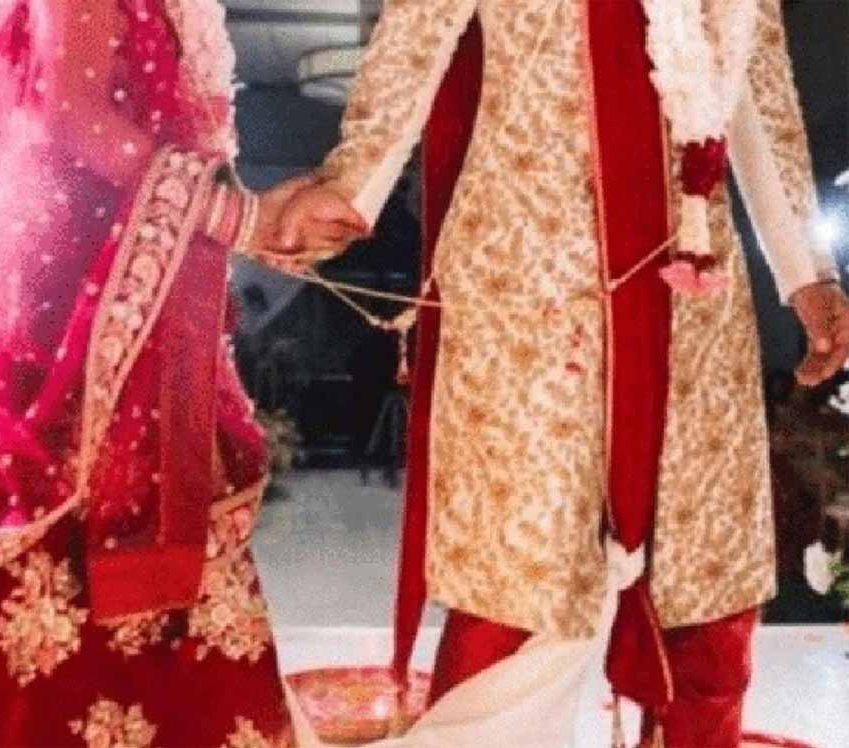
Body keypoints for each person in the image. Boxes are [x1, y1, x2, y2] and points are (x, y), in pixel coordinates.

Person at [272, 1, 849, 746]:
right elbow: (418, 32)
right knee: (518, 575)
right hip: (526, 274)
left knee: (703, 575)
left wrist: (806, 272)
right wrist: (351, 189)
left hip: (692, 284)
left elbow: (754, 78)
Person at [0, 1, 361, 746]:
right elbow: (72, 118)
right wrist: (242, 220)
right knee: (19, 577)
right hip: (55, 331)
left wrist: (251, 216)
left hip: (136, 326)